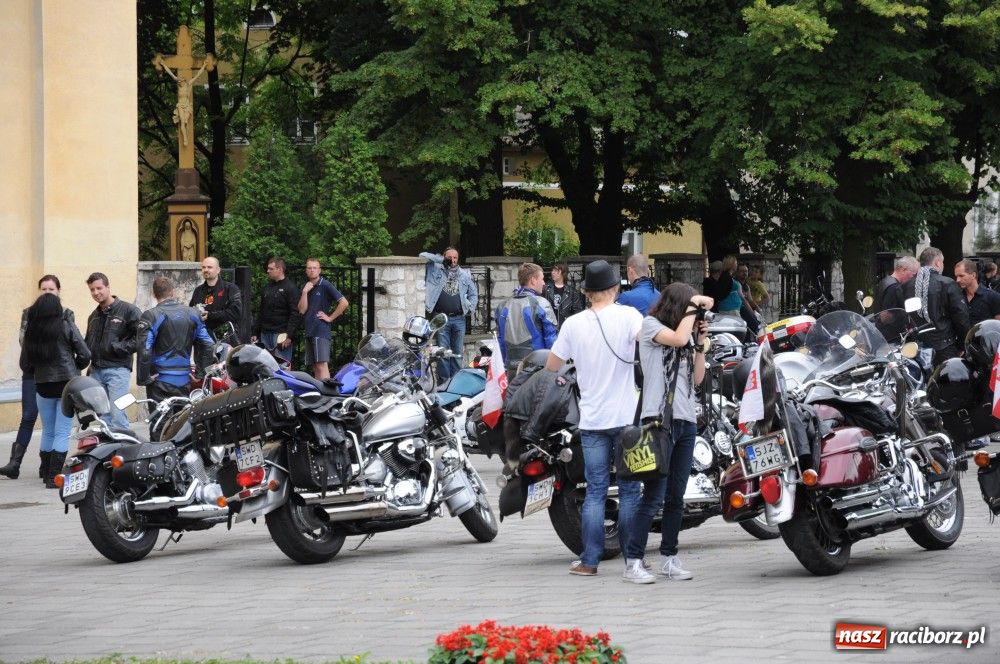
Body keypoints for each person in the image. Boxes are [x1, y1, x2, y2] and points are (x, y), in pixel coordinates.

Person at [545, 260, 643, 577]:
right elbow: (648, 344)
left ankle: (589, 560)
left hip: (591, 420)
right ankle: (633, 559)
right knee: (629, 490)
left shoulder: (573, 324)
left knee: (595, 491)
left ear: (586, 292)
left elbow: (552, 364)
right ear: (616, 288)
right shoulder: (630, 316)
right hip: (627, 417)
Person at [623, 283, 712, 583]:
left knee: (676, 496)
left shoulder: (685, 339)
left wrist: (700, 342)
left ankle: (669, 557)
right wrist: (692, 313)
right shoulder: (651, 327)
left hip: (686, 421)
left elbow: (697, 379)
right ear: (679, 305)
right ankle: (633, 561)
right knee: (654, 495)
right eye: (690, 307)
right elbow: (676, 338)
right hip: (659, 421)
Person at [1, 276, 74, 481]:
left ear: (59, 291)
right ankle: (15, 463)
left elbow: (69, 342)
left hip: (55, 374)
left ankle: (48, 468)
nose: (47, 292)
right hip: (33, 371)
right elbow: (23, 339)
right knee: (28, 415)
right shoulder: (29, 313)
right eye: (43, 288)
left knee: (53, 426)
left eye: (51, 288)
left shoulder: (66, 314)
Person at [19, 292, 90, 488]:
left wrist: (39, 371)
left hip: (42, 385)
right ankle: (54, 477)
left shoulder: (31, 330)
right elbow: (85, 353)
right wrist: (75, 366)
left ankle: (44, 472)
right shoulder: (65, 325)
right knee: (62, 432)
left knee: (48, 431)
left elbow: (25, 364)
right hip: (66, 384)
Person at [137, 276, 215, 405]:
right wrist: (200, 374)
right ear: (173, 292)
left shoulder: (151, 315)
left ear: (153, 294)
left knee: (160, 422)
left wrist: (144, 378)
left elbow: (144, 348)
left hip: (159, 379)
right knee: (181, 422)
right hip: (184, 379)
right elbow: (208, 344)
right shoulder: (193, 314)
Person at [84, 272, 141, 430]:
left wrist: (119, 348)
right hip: (96, 372)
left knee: (118, 414)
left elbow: (142, 338)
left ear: (108, 287)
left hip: (118, 370)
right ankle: (107, 453)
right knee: (103, 417)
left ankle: (124, 451)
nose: (96, 293)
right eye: (92, 290)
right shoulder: (93, 316)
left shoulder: (129, 310)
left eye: (99, 288)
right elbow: (89, 343)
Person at [894, 247, 970, 364]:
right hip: (945, 347)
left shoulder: (904, 287)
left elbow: (901, 318)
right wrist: (962, 346)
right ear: (938, 262)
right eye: (943, 262)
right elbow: (961, 318)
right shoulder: (948, 284)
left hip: (915, 348)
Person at [419, 246, 478, 380]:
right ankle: (444, 383)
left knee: (457, 353)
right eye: (449, 257)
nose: (453, 260)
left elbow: (474, 294)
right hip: (441, 318)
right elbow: (422, 255)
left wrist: (470, 308)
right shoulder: (435, 268)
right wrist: (441, 260)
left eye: (455, 257)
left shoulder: (464, 274)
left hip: (459, 319)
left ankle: (456, 382)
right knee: (443, 352)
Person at [496, 263, 559, 372]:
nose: (544, 283)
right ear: (533, 280)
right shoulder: (541, 303)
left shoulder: (502, 306)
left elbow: (501, 341)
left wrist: (503, 368)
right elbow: (551, 339)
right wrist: (557, 368)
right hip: (537, 369)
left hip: (510, 369)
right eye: (542, 279)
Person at [297, 258, 349, 380]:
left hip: (321, 330)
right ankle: (319, 394)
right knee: (315, 366)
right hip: (309, 330)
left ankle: (327, 394)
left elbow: (344, 302)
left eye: (315, 268)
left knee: (321, 365)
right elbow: (301, 310)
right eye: (309, 268)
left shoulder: (325, 285)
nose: (312, 270)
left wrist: (330, 318)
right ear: (306, 270)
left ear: (319, 270)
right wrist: (304, 292)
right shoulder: (306, 287)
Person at [252, 257, 300, 363]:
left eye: (271, 268)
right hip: (265, 333)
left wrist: (289, 335)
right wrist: (255, 331)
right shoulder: (267, 287)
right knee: (266, 366)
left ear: (280, 269)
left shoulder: (290, 288)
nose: (268, 271)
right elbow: (261, 311)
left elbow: (295, 313)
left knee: (283, 365)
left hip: (281, 334)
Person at [189, 256, 244, 338]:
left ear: (218, 270)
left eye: (209, 267)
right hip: (202, 339)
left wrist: (210, 315)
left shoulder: (230, 288)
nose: (206, 270)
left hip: (225, 339)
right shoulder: (198, 290)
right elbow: (190, 311)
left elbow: (235, 313)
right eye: (203, 267)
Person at [954, 259, 1000, 325]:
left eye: (961, 276)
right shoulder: (956, 297)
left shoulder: (993, 297)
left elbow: (998, 327)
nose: (957, 280)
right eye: (956, 276)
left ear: (973, 275)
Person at [542, 262, 584, 327]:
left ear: (563, 272)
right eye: (552, 270)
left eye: (556, 270)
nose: (552, 272)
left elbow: (577, 313)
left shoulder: (572, 292)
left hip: (565, 328)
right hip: (549, 328)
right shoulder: (545, 289)